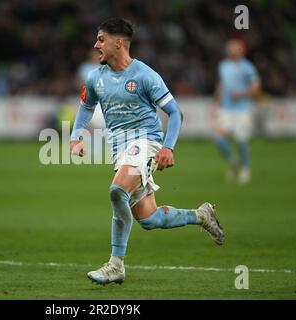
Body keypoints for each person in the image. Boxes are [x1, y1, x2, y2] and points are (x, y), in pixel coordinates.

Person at [70, 18, 224, 285]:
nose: (96, 45)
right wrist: (75, 137)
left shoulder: (145, 75)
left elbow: (175, 113)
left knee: (117, 190)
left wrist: (167, 147)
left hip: (146, 142)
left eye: (101, 39)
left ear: (119, 43)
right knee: (150, 219)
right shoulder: (95, 78)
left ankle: (116, 264)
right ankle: (201, 215)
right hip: (120, 150)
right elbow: (85, 108)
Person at [214, 38, 261, 184]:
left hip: (242, 110)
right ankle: (233, 161)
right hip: (226, 109)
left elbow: (256, 89)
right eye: (230, 48)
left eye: (235, 48)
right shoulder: (223, 66)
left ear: (241, 50)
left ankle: (245, 169)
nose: (231, 50)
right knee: (219, 139)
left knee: (241, 141)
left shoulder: (248, 67)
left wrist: (241, 94)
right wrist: (217, 100)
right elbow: (222, 84)